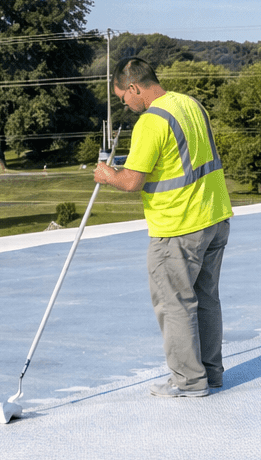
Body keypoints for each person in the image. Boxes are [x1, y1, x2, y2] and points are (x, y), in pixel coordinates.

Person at [94, 58, 232, 396]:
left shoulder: (151, 121)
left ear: (135, 88)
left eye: (123, 97)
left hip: (178, 227)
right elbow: (178, 157)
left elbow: (131, 182)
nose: (124, 105)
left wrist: (106, 174)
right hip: (214, 216)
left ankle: (188, 381)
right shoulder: (190, 105)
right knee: (206, 299)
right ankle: (211, 374)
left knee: (174, 304)